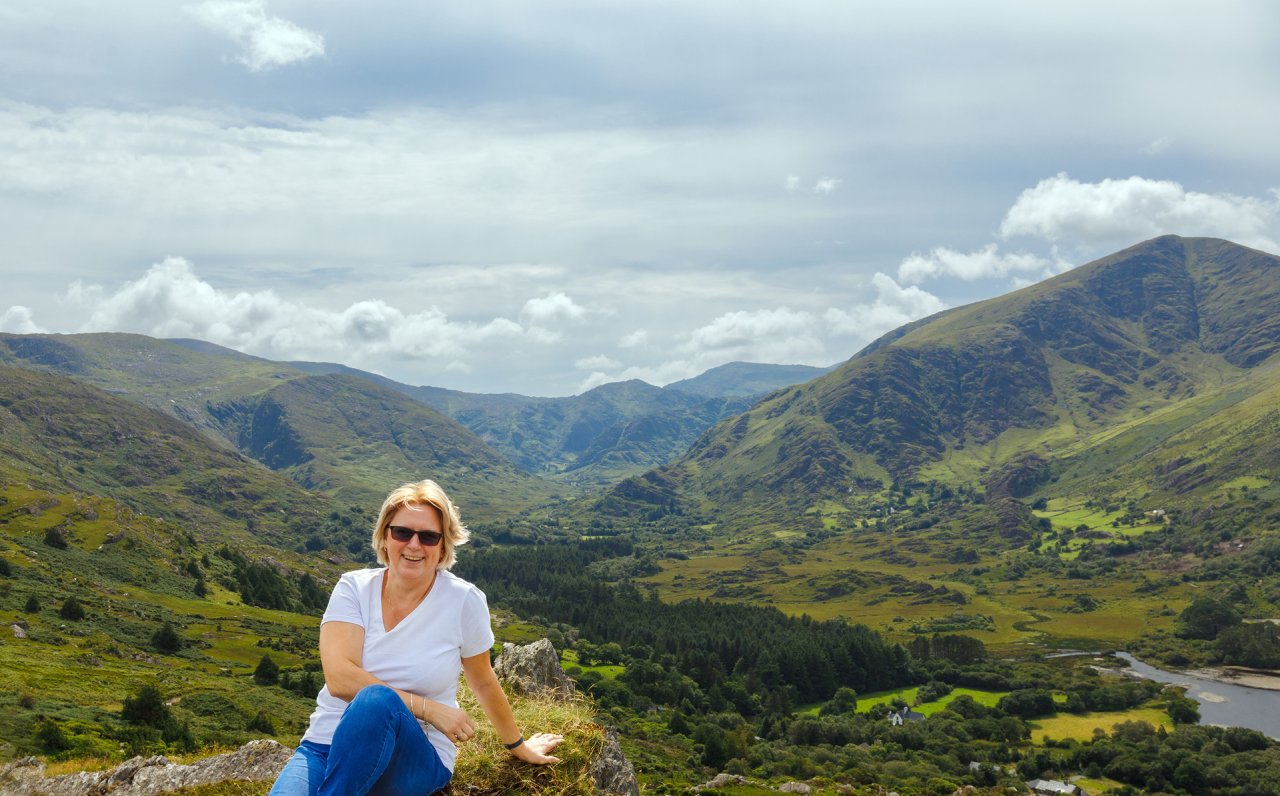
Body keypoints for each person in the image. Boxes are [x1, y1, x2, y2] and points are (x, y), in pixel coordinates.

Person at [269, 479, 563, 795]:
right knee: (372, 702)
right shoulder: (353, 589)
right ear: (385, 536)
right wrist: (428, 708)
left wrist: (518, 745)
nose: (413, 545)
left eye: (428, 537)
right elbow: (340, 679)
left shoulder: (463, 600)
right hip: (325, 746)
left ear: (443, 546)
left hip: (414, 756)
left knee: (375, 700)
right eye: (402, 532)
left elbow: (482, 680)